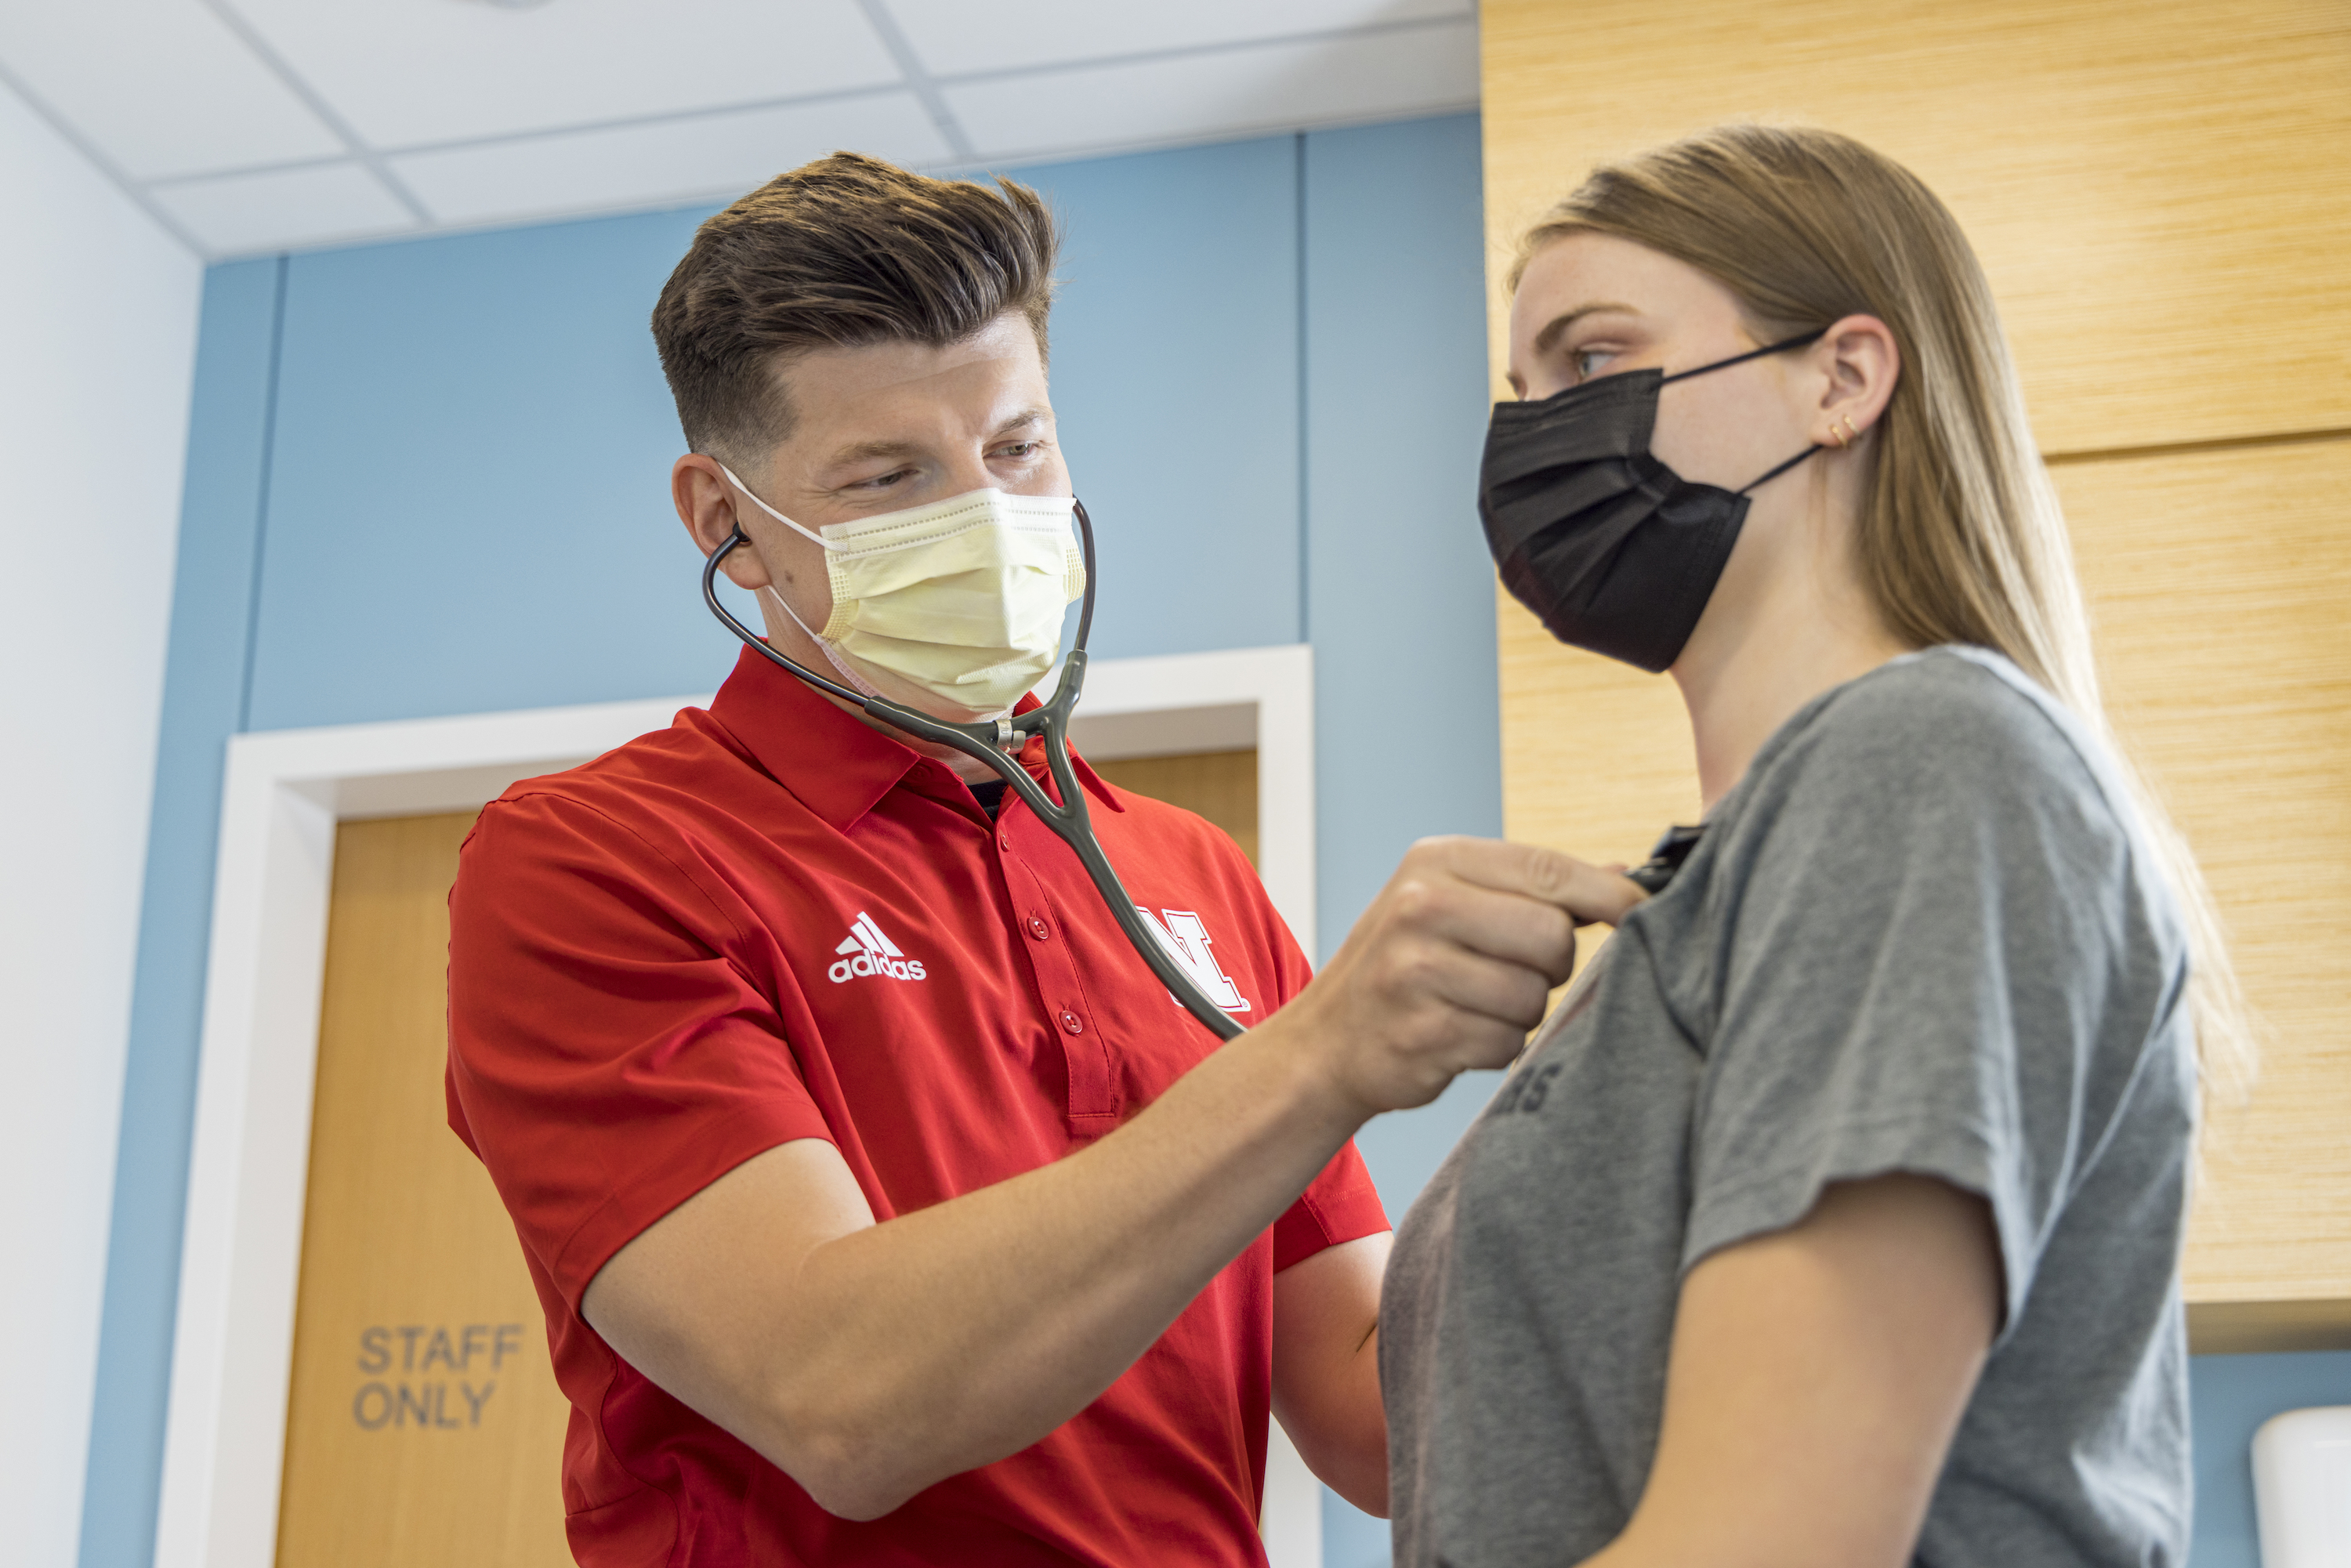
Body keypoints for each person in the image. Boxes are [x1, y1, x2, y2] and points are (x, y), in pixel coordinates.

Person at [444, 152, 1636, 1566]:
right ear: (728, 524)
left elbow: (1378, 1422)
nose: (985, 517)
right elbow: (844, 1402)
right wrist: (1322, 1055)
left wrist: (1641, 1121)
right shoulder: (599, 862)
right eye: (890, 476)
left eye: (1017, 451)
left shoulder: (1184, 869)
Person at [1381, 124, 2253, 1568]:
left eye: (1590, 363)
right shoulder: (1706, 885)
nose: (1537, 436)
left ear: (1842, 379)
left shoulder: (1919, 764)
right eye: (1522, 390)